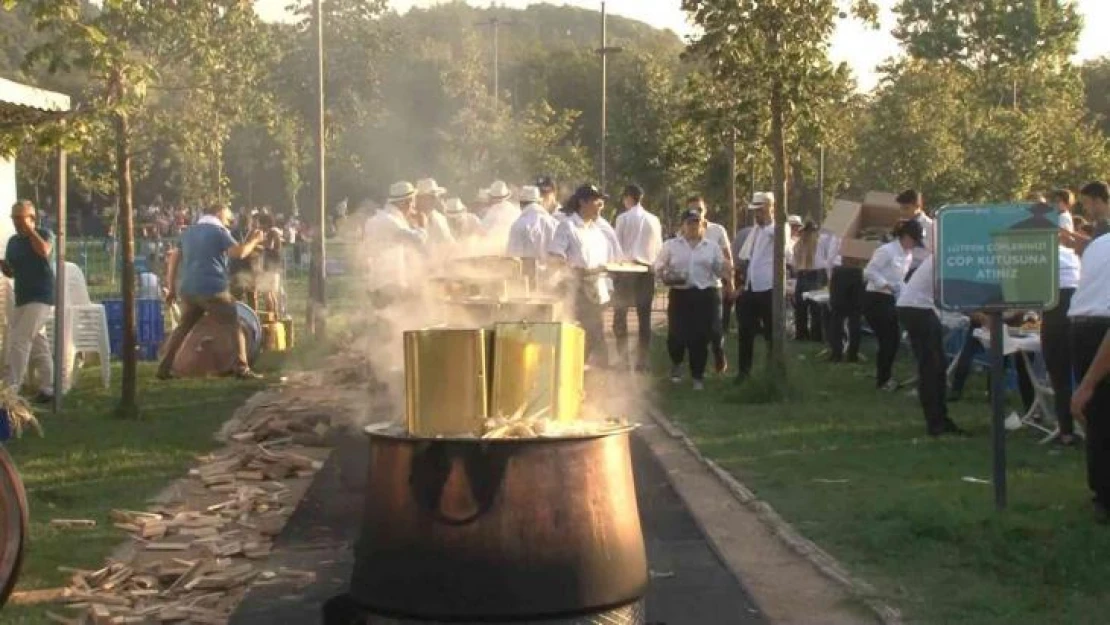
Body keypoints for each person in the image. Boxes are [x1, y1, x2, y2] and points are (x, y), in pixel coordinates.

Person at [158, 203, 264, 381]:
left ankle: (164, 368)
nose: (229, 218)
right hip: (213, 289)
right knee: (234, 324)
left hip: (189, 289)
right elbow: (239, 253)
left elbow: (174, 258)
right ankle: (241, 368)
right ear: (218, 212)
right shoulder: (218, 232)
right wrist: (255, 240)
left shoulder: (188, 232)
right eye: (227, 214)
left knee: (183, 328)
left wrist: (171, 287)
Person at [1069, 180, 1110, 522]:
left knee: (1098, 417)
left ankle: (1099, 492)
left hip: (1079, 324)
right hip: (1102, 326)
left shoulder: (1098, 244)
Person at [548, 185, 622, 368]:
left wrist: (608, 286)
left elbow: (603, 262)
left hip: (596, 286)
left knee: (594, 333)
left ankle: (591, 373)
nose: (601, 205)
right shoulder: (567, 226)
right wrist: (571, 272)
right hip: (576, 287)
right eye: (597, 201)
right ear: (583, 202)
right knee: (586, 333)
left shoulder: (597, 230)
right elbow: (555, 256)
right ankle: (582, 371)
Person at [656, 209, 728, 390]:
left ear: (702, 225)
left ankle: (697, 375)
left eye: (697, 223)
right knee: (676, 334)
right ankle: (677, 364)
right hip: (680, 293)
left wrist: (725, 269)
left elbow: (720, 270)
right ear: (682, 225)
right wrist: (666, 274)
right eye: (689, 223)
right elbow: (658, 267)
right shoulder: (671, 245)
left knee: (700, 337)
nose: (693, 226)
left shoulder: (711, 247)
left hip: (704, 294)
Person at [897, 253, 966, 437]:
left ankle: (941, 418)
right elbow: (950, 293)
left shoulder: (947, 254)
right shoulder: (948, 256)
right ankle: (935, 423)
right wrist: (979, 315)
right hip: (917, 308)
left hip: (919, 308)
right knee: (931, 368)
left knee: (938, 366)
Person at [1, 200, 55, 403]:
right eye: (13, 218)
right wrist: (4, 266)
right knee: (39, 343)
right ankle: (48, 387)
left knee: (20, 340)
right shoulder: (13, 241)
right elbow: (11, 271)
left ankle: (11, 390)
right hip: (22, 297)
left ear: (32, 218)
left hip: (41, 297)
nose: (16, 222)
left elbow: (44, 251)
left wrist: (30, 230)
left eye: (19, 218)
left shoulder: (44, 234)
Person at [863, 219, 923, 391]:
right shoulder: (886, 251)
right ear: (904, 236)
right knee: (888, 339)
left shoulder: (908, 255)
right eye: (912, 240)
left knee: (892, 340)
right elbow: (869, 271)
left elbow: (901, 279)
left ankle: (885, 376)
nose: (913, 245)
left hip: (892, 299)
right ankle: (883, 379)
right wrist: (885, 284)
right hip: (876, 297)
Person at [613, 184, 663, 371]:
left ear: (628, 198)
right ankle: (643, 359)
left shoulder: (623, 219)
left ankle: (623, 358)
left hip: (627, 269)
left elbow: (617, 245)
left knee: (620, 314)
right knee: (644, 317)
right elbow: (658, 247)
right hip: (646, 270)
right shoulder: (654, 220)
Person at [734, 192, 782, 381]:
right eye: (755, 211)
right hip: (751, 286)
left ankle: (773, 371)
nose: (757, 215)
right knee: (745, 331)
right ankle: (744, 372)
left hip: (769, 288)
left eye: (760, 210)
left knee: (771, 332)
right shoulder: (755, 231)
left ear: (770, 209)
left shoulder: (778, 228)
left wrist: (770, 220)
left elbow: (782, 244)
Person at [1041, 227, 1082, 445]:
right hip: (1079, 309)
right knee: (1086, 376)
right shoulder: (1072, 256)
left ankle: (1066, 432)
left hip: (1055, 312)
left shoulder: (1040, 257)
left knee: (1060, 377)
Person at [363, 181, 429, 306]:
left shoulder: (378, 219)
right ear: (405, 203)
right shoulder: (391, 221)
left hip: (377, 282)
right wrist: (423, 224)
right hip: (389, 284)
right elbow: (419, 240)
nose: (413, 207)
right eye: (412, 202)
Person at [689, 195, 734, 373]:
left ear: (705, 210)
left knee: (715, 327)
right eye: (692, 210)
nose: (697, 213)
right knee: (696, 329)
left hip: (712, 286)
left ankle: (719, 352)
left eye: (700, 209)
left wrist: (729, 281)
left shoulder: (717, 230)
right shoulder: (683, 231)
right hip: (692, 287)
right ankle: (698, 363)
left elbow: (727, 258)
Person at [823, 231, 865, 363]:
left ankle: (837, 352)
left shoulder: (838, 233)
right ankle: (852, 354)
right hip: (856, 271)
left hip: (841, 271)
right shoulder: (861, 232)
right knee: (854, 317)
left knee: (838, 315)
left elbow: (831, 257)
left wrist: (830, 276)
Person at [507, 185, 559, 286]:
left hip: (527, 283)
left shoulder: (518, 225)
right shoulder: (554, 223)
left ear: (521, 204)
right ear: (539, 202)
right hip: (551, 281)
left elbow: (513, 259)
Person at [791, 222, 825, 342]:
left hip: (809, 274)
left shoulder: (810, 245)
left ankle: (805, 334)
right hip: (810, 275)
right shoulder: (801, 245)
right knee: (808, 307)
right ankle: (810, 334)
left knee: (807, 307)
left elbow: (794, 264)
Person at [897, 189, 932, 278]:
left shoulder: (929, 226)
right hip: (901, 266)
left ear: (917, 206)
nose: (903, 212)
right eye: (901, 208)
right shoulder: (903, 223)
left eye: (906, 208)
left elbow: (932, 251)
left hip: (919, 269)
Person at [415, 178, 456, 252]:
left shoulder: (440, 218)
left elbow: (449, 242)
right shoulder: (409, 219)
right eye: (431, 197)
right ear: (419, 198)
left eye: (435, 197)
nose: (434, 200)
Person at [255, 213, 284, 315]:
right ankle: (275, 315)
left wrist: (255, 244)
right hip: (274, 267)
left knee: (268, 293)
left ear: (266, 223)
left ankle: (272, 315)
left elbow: (268, 246)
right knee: (272, 294)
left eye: (260, 223)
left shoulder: (272, 232)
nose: (259, 226)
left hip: (271, 267)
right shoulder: (274, 232)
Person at [479, 181, 519, 249]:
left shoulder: (493, 210)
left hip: (495, 247)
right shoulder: (514, 209)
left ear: (492, 197)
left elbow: (483, 230)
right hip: (513, 246)